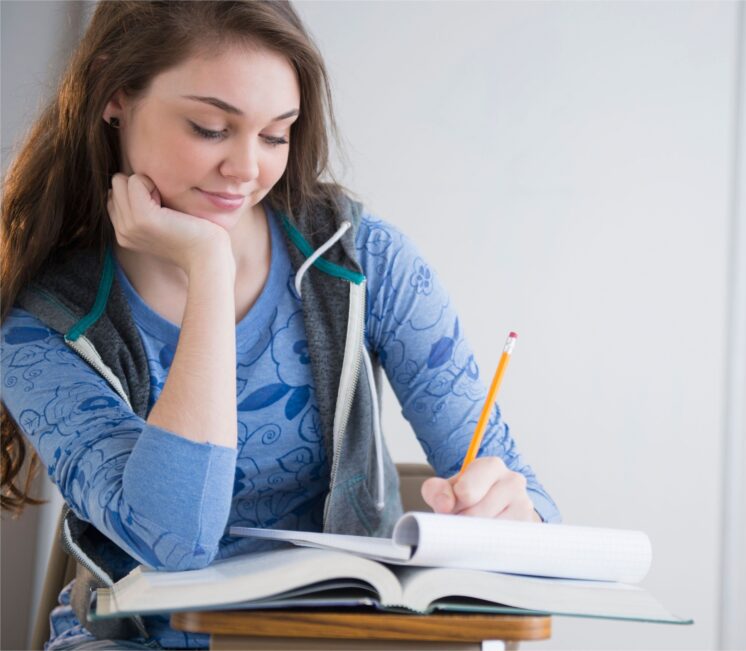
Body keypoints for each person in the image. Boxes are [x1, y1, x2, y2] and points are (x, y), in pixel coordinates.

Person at [0, 2, 559, 649]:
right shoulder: (43, 320)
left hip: (336, 637)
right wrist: (209, 268)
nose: (246, 170)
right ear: (114, 94)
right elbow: (175, 540)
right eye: (211, 128)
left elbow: (532, 505)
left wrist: (515, 518)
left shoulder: (360, 258)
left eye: (275, 135)